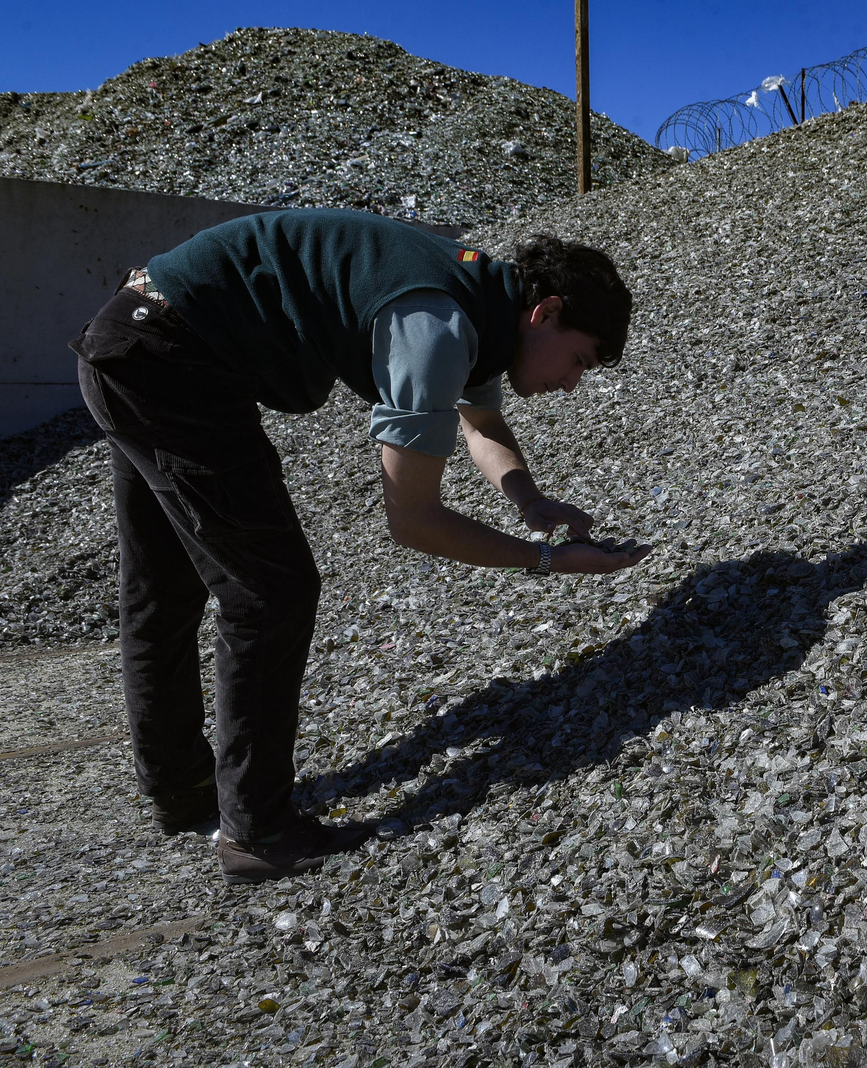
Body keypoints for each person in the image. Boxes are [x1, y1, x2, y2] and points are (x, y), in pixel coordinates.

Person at [69, 209, 652, 885]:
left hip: (134, 343)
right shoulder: (437, 323)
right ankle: (257, 831)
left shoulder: (482, 299)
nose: (572, 384)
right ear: (546, 312)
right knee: (270, 591)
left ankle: (182, 790)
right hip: (170, 363)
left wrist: (528, 500)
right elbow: (414, 521)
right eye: (578, 360)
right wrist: (548, 562)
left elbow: (482, 419)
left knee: (165, 587)